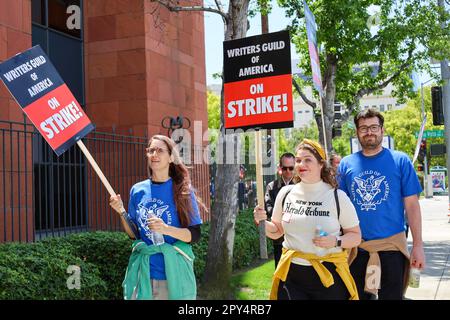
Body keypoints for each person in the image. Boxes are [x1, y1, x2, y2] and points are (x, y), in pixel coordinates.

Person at [254, 139, 361, 300]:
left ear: (321, 164)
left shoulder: (337, 197)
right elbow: (276, 232)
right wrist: (262, 222)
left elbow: (356, 236)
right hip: (291, 276)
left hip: (328, 277)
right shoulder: (285, 194)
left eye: (307, 160)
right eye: (298, 160)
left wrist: (335, 241)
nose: (300, 164)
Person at [337, 108, 426, 300]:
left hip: (392, 248)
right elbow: (339, 207)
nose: (369, 132)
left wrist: (418, 245)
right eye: (363, 128)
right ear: (357, 132)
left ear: (382, 130)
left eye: (374, 127)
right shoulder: (346, 165)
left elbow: (412, 206)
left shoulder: (400, 161)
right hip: (356, 249)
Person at [109, 135, 204, 300]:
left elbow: (194, 234)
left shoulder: (183, 191)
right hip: (143, 272)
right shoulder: (137, 190)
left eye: (160, 150)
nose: (154, 154)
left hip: (172, 275)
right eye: (151, 150)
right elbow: (134, 234)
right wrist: (121, 212)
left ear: (171, 157)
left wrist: (166, 229)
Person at [264, 152, 296, 268]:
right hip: (279, 239)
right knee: (280, 270)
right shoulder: (272, 187)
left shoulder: (301, 186)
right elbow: (269, 209)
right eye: (285, 168)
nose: (288, 171)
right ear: (280, 168)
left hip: (297, 238)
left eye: (291, 168)